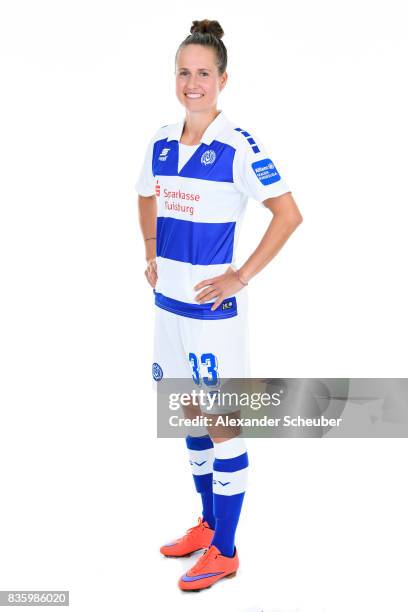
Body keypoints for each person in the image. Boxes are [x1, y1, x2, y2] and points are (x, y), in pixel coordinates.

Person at [136, 19, 303, 591]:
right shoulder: (160, 140)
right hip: (168, 310)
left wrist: (241, 276)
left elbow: (288, 215)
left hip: (212, 317)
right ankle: (207, 527)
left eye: (203, 73)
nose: (192, 83)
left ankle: (226, 551)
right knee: (187, 416)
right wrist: (152, 251)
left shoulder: (237, 145)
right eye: (184, 72)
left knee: (223, 424)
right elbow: (144, 196)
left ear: (222, 79)